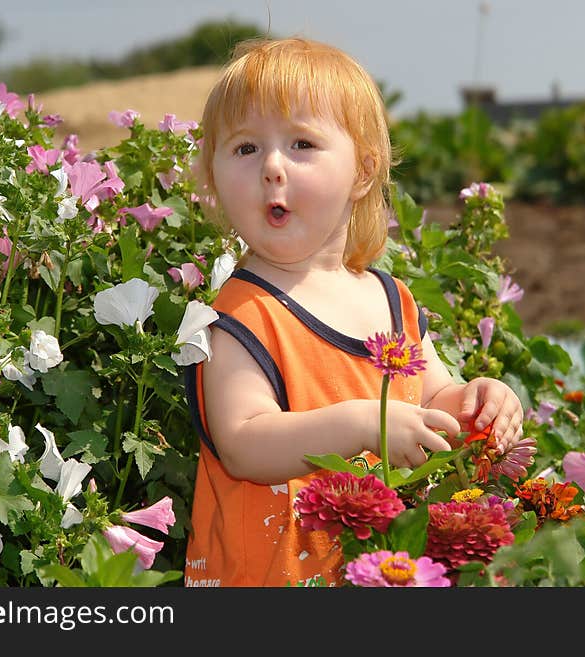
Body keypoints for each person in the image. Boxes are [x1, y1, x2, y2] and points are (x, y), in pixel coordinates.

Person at [183, 37, 523, 587]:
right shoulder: (238, 317)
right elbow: (244, 443)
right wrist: (363, 424)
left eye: (301, 144)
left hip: (372, 569)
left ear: (363, 171)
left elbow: (431, 399)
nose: (272, 166)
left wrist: (478, 400)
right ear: (213, 177)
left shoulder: (391, 301)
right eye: (245, 149)